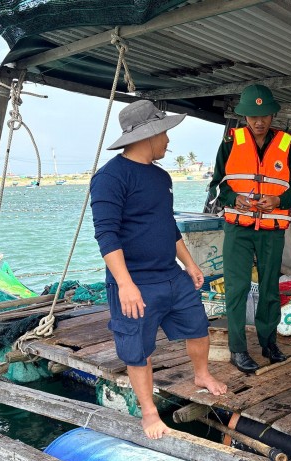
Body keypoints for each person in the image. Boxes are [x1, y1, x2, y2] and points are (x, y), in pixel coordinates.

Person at [91, 100, 227, 440]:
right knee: (137, 349)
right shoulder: (109, 178)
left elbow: (167, 225)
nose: (168, 140)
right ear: (147, 135)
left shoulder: (161, 176)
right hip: (134, 281)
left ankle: (201, 374)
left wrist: (190, 263)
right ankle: (149, 413)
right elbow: (106, 234)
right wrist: (125, 284)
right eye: (164, 132)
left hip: (170, 274)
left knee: (198, 326)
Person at [209, 84, 291, 374]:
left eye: (263, 115)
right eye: (252, 116)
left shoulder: (287, 145)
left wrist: (279, 199)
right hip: (238, 228)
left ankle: (268, 343)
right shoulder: (230, 142)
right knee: (236, 289)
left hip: (272, 229)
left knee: (269, 289)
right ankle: (238, 350)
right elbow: (217, 185)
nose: (258, 121)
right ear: (244, 117)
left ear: (272, 114)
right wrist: (232, 198)